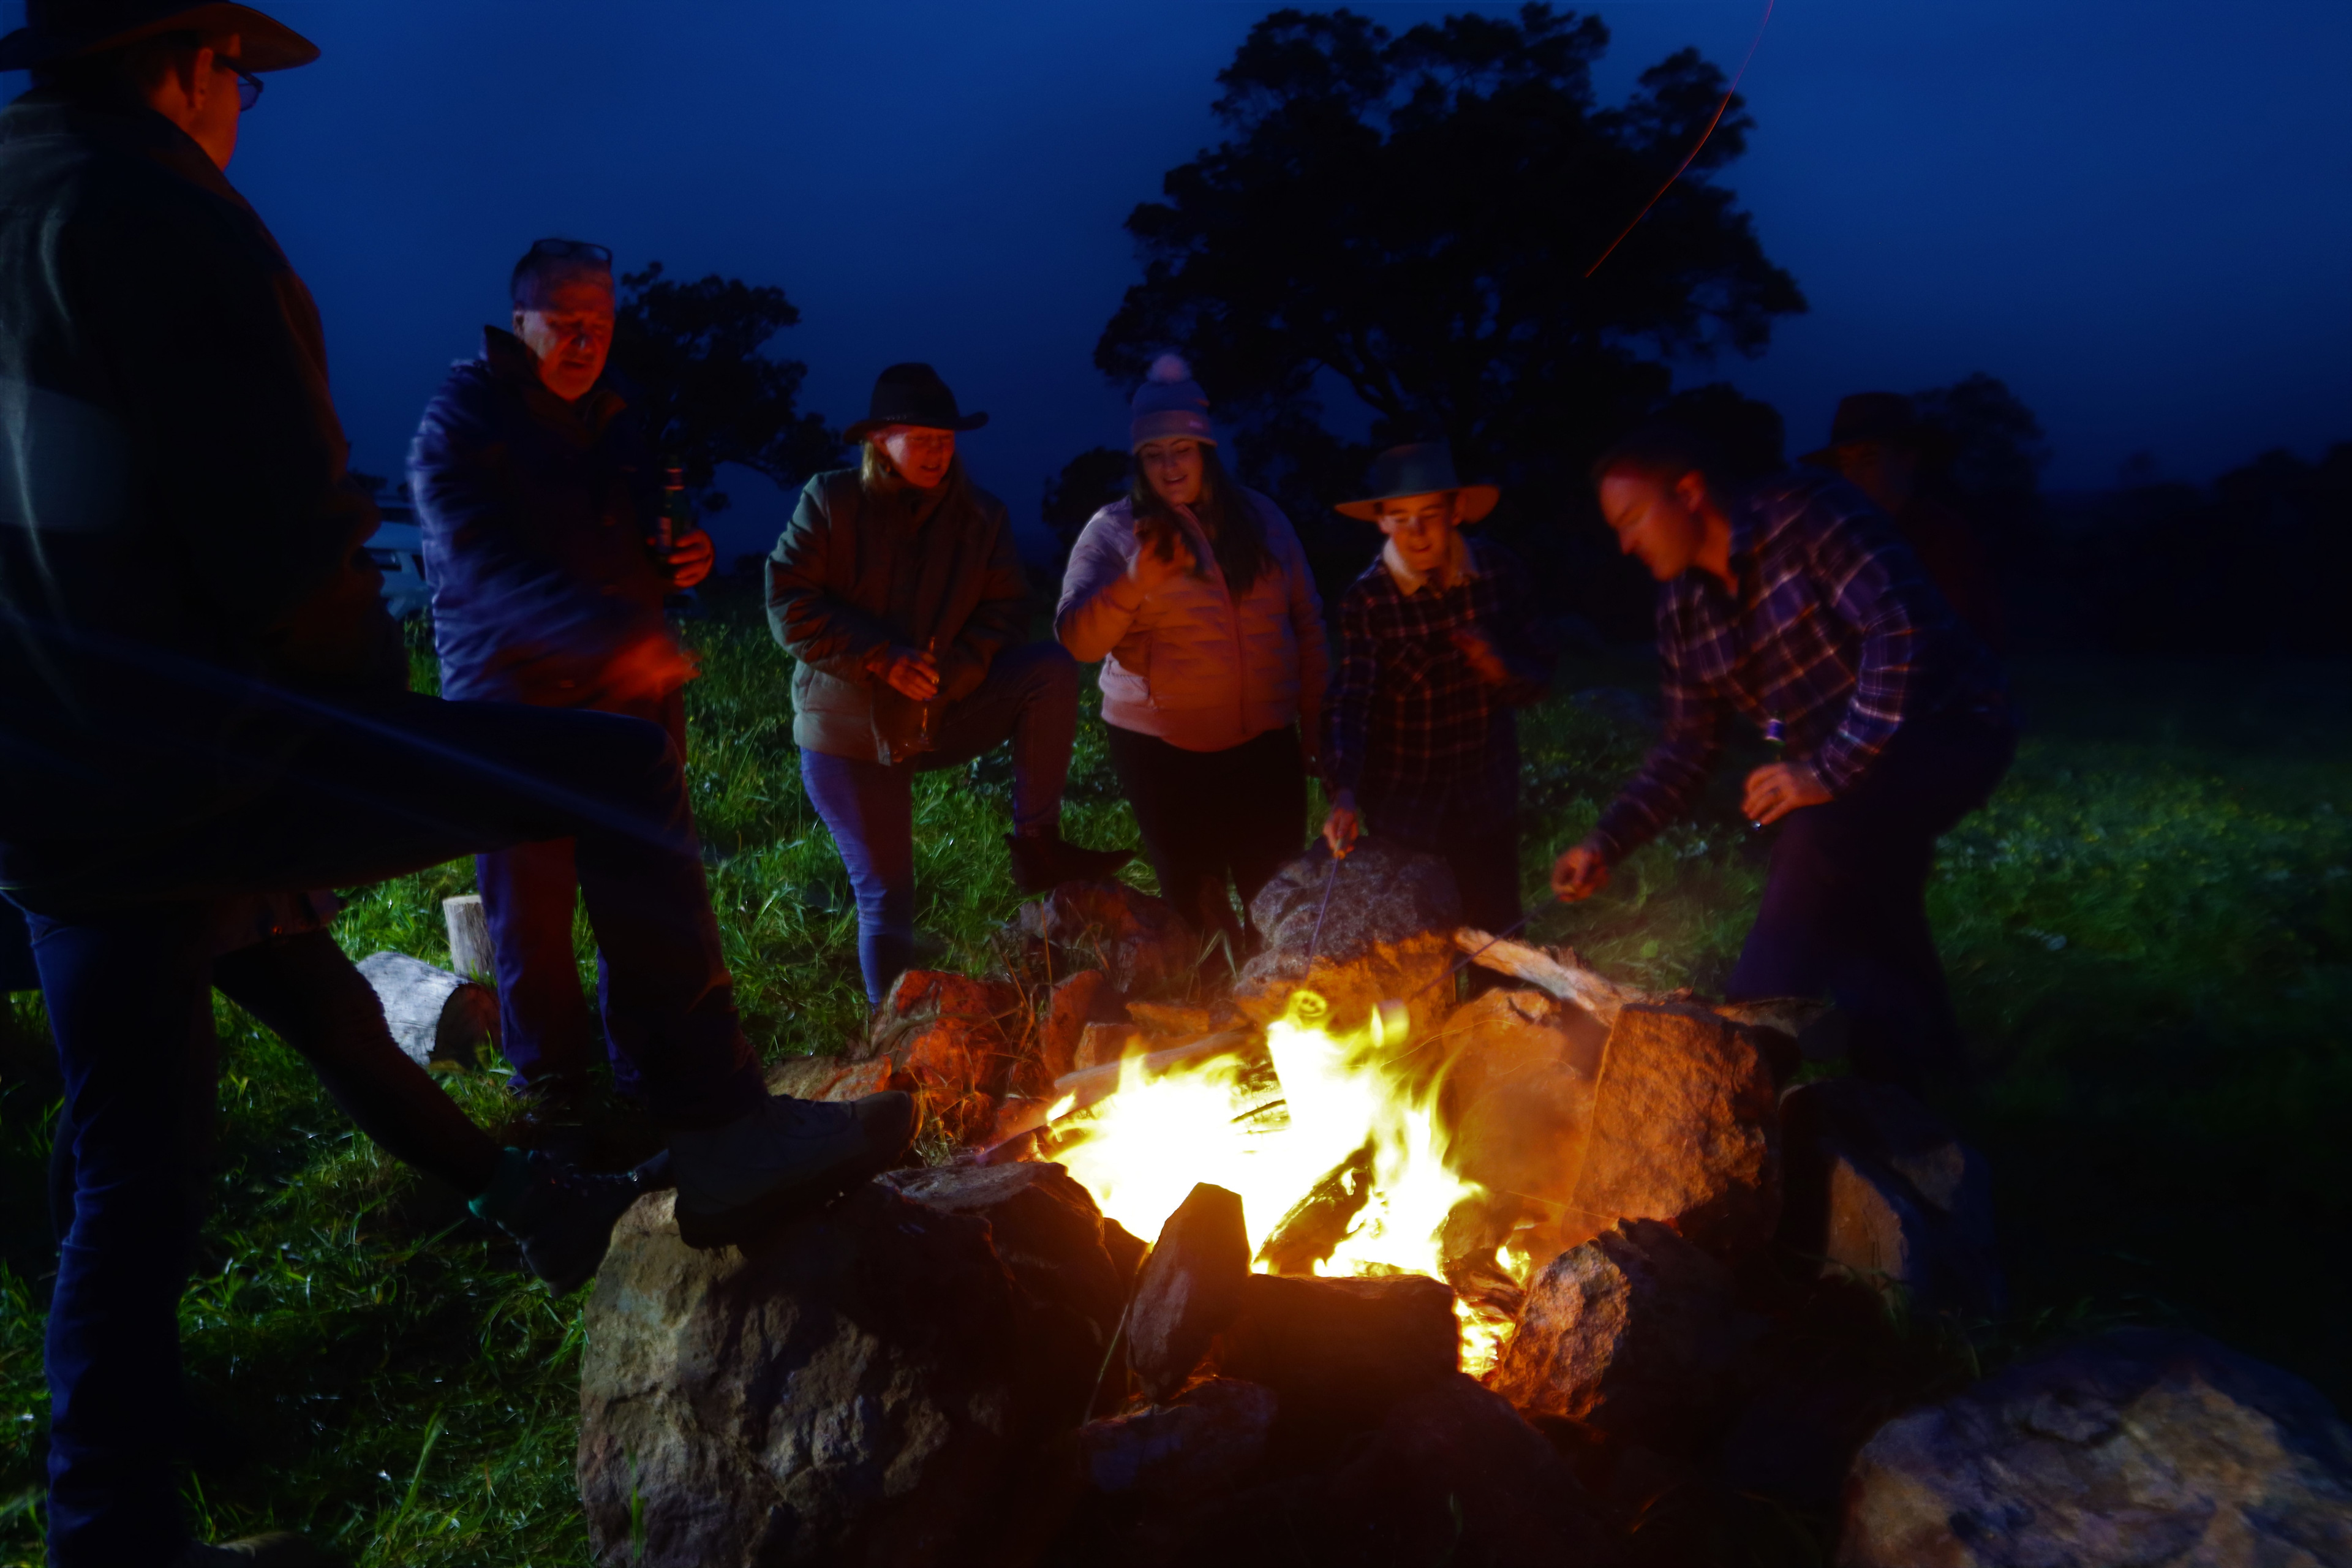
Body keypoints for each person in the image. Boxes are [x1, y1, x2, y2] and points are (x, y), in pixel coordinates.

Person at [0, 9, 910, 1563]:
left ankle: (110, 1530)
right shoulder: (155, 208)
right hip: (203, 749)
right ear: (189, 60)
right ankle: (714, 1119)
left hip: (44, 787)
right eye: (240, 81)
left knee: (130, 1165)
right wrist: (348, 714)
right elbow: (285, 536)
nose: (241, 113)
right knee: (617, 772)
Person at [1553, 426, 2014, 1090]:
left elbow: (1899, 628)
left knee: (1823, 842)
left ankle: (1735, 1067)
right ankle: (1926, 1086)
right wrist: (1608, 838)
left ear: (1688, 493)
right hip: (1851, 767)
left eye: (1631, 520)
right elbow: (1687, 744)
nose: (1625, 544)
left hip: (1951, 726)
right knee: (1870, 898)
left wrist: (1825, 772)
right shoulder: (1682, 605)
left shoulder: (1808, 514)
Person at [409, 237, 716, 1145]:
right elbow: (482, 570)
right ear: (519, 322)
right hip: (516, 702)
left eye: (603, 324)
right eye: (567, 323)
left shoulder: (618, 419)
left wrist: (678, 568)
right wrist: (612, 637)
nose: (588, 341)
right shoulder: (462, 417)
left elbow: (628, 546)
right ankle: (553, 1095)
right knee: (531, 912)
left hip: (628, 697)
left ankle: (649, 1072)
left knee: (637, 888)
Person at [769, 363, 1131, 1008]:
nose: (937, 451)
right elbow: (788, 601)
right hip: (848, 732)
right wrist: (879, 657)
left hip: (938, 711)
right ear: (881, 441)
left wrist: (952, 674)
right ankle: (896, 1033)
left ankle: (1038, 841)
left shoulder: (980, 518)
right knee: (887, 895)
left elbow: (1004, 613)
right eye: (920, 437)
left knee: (1048, 668)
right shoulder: (831, 501)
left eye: (946, 438)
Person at [1055, 356, 1328, 942]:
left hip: (1265, 745)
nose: (1170, 465)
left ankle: (1276, 1020)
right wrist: (1133, 581)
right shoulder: (1113, 531)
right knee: (1198, 909)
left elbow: (1307, 621)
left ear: (1205, 449)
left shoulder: (1264, 520)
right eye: (1154, 454)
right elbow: (1079, 638)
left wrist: (1314, 723)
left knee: (1277, 900)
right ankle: (1205, 1019)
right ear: (1139, 462)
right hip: (1162, 753)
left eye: (1181, 448)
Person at [1319, 443, 1550, 937]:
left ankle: (1496, 1011)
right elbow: (1351, 701)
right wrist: (1343, 790)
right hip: (1405, 806)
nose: (1416, 533)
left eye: (1429, 515)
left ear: (1457, 511)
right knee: (1412, 937)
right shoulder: (1368, 599)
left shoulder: (1498, 574)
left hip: (1485, 793)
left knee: (1494, 930)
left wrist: (1501, 669)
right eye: (1400, 518)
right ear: (1380, 521)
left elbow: (1542, 674)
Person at [1803, 392, 2005, 651]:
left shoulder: (1942, 539)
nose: (1853, 475)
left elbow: (1965, 636)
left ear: (1907, 460)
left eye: (1868, 460)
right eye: (1845, 462)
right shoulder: (1837, 540)